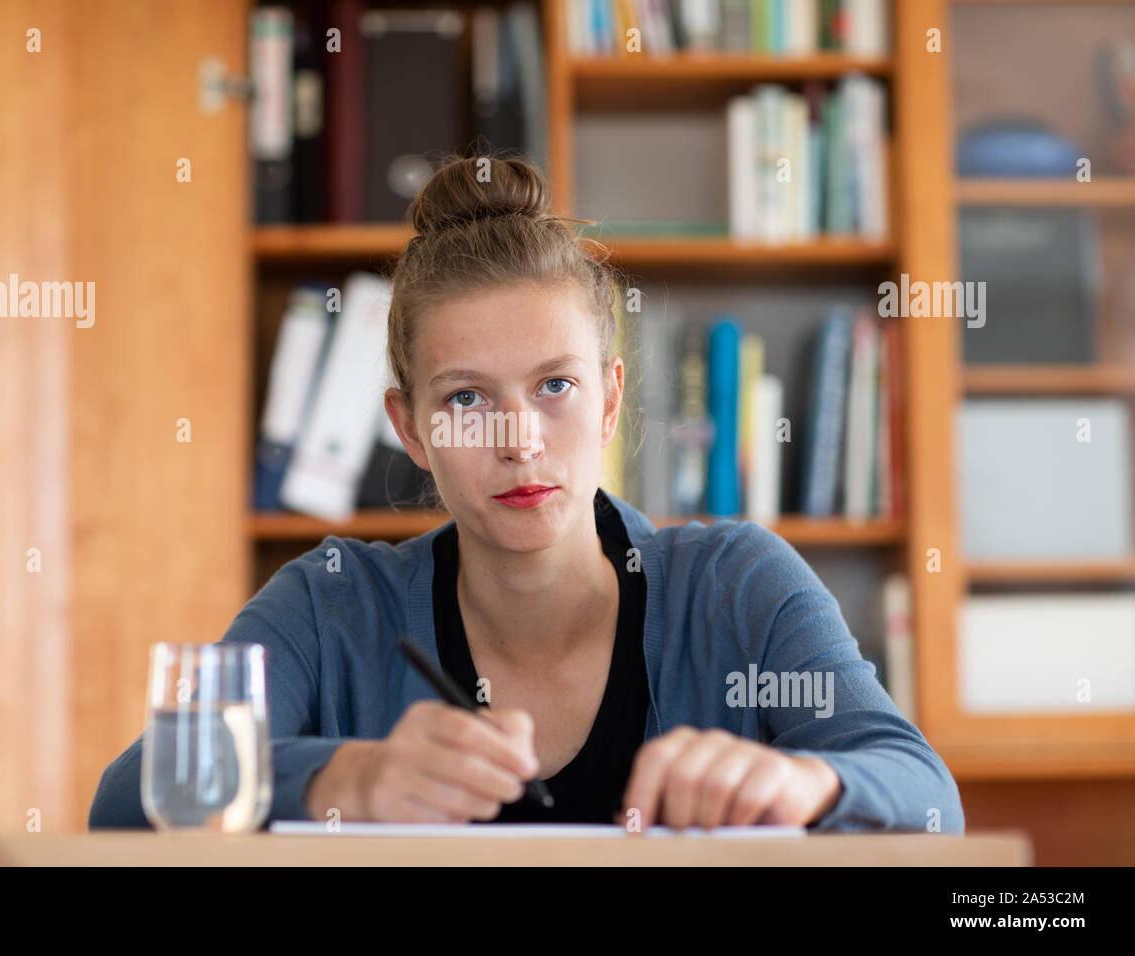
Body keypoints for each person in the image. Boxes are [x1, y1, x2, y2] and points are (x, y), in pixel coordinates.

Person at [88, 151, 964, 833]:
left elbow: (925, 793)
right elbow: (137, 794)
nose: (519, 441)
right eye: (465, 398)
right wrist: (347, 778)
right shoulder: (332, 604)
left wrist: (807, 780)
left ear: (612, 398)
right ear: (411, 428)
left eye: (556, 386)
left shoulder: (734, 586)